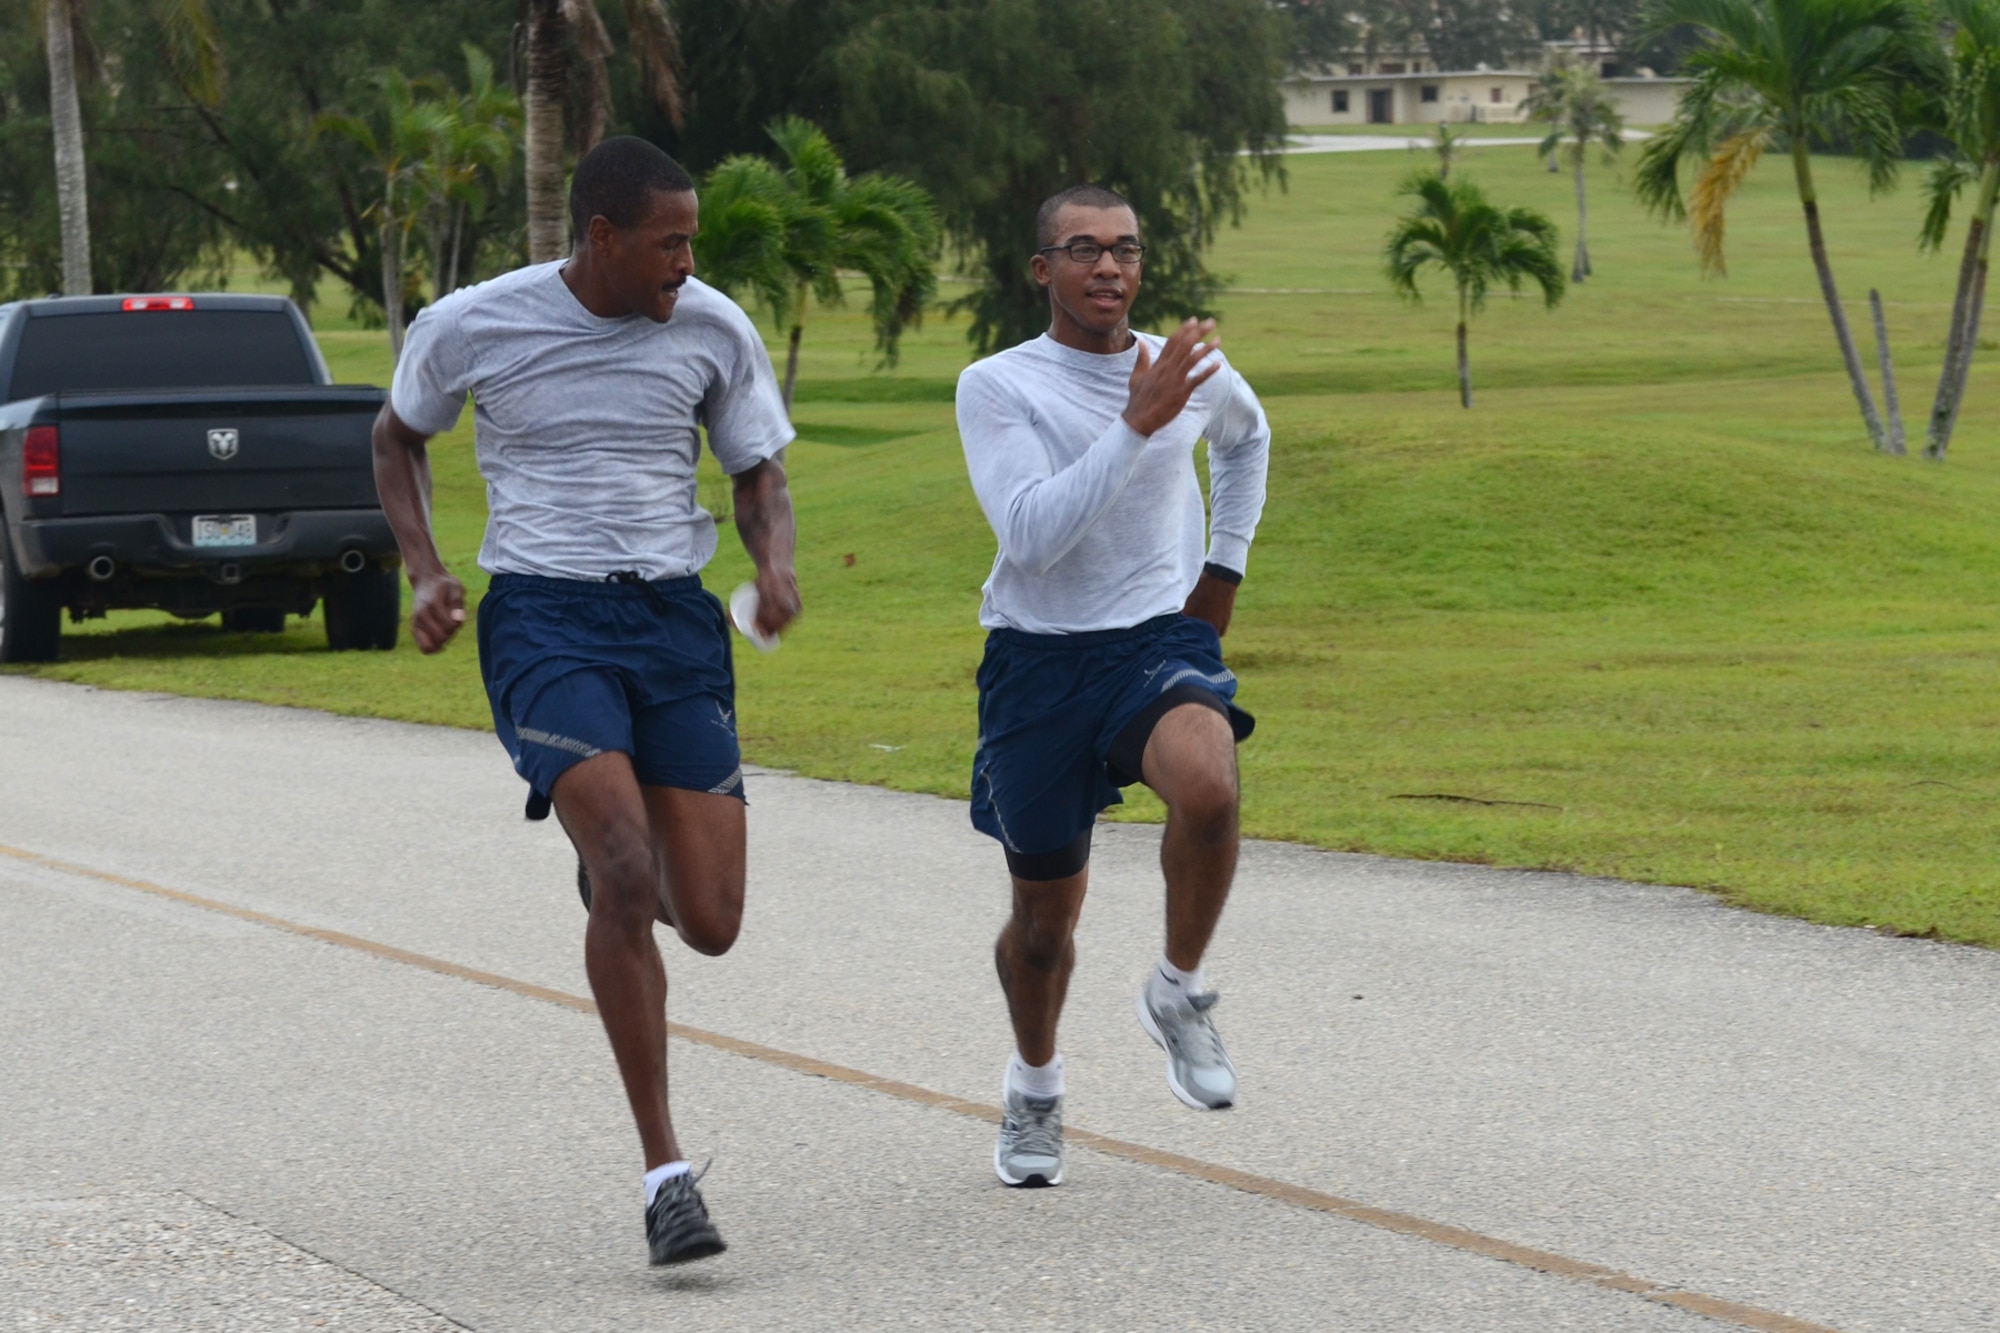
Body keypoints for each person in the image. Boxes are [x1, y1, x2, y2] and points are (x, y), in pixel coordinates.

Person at [371, 136, 800, 1263]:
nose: (687, 262)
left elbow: (757, 469)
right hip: (545, 619)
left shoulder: (711, 325)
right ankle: (666, 1178)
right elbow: (397, 435)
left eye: (692, 240)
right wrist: (425, 568)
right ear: (602, 237)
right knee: (623, 865)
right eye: (669, 242)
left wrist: (777, 560)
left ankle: (617, 867)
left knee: (707, 920)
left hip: (671, 622)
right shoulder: (475, 322)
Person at [955, 184, 1271, 1188]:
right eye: (1082, 249)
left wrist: (1220, 568)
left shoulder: (1190, 372)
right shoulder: (997, 385)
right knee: (1044, 928)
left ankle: (1177, 992)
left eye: (1124, 251)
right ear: (1040, 270)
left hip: (1149, 644)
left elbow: (1246, 439)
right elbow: (1033, 535)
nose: (1108, 267)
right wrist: (1135, 424)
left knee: (1210, 782)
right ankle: (1035, 1088)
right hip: (1038, 663)